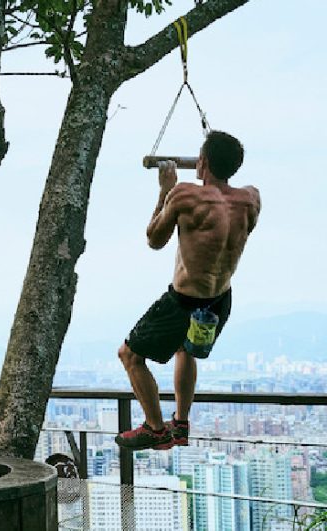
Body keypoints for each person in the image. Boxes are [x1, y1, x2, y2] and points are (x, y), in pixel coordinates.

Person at [115, 131, 261, 450]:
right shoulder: (251, 199)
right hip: (219, 301)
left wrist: (165, 192)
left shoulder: (186, 196)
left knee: (129, 355)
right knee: (186, 349)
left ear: (203, 161)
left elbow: (154, 239)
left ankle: (155, 428)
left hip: (183, 301)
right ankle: (180, 424)